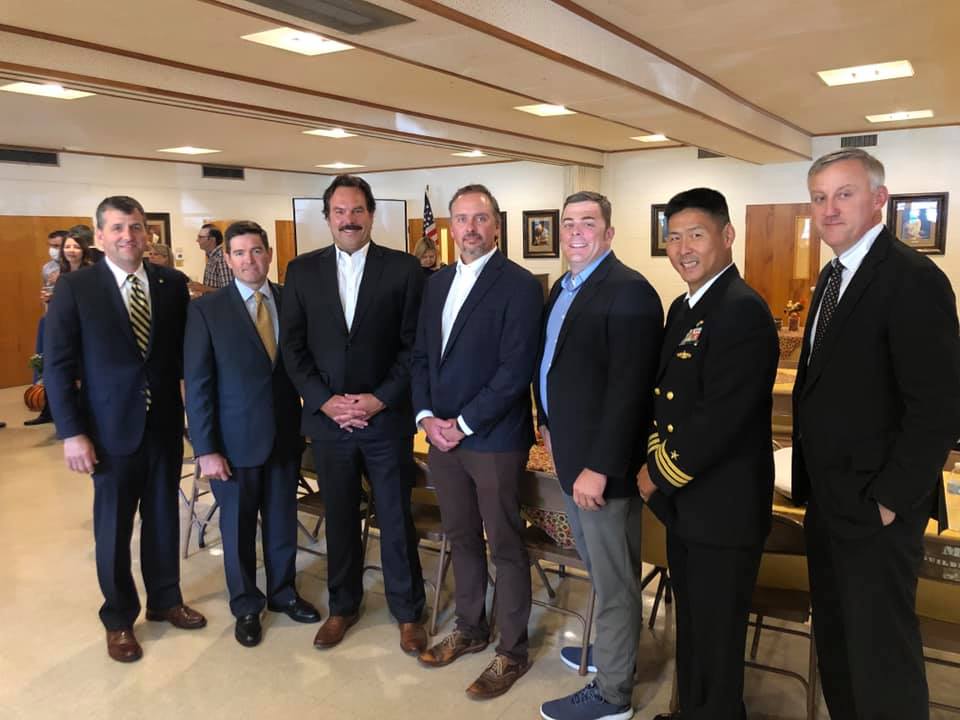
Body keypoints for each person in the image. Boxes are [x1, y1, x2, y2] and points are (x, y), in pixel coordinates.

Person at [792, 148, 960, 719]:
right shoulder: (832, 276)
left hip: (877, 509)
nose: (829, 209)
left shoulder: (913, 278)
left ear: (879, 199)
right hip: (827, 501)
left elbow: (938, 409)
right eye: (820, 198)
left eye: (845, 194)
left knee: (882, 655)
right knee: (838, 644)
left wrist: (890, 501)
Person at [44, 195, 206, 663]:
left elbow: (183, 354)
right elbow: (57, 365)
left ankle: (165, 600)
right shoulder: (76, 288)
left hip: (163, 427)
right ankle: (118, 618)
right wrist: (72, 433)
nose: (127, 236)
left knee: (163, 518)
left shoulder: (171, 284)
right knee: (114, 529)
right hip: (107, 432)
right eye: (116, 228)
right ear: (99, 236)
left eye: (135, 227)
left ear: (147, 233)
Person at [636, 188, 779, 720]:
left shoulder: (741, 309)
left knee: (718, 637)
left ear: (727, 235)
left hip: (724, 507)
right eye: (674, 237)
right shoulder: (685, 306)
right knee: (693, 626)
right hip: (690, 507)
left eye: (696, 235)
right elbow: (665, 398)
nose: (683, 248)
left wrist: (657, 472)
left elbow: (721, 418)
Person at [280, 175, 428, 656]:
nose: (349, 220)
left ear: (371, 214)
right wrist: (325, 401)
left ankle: (408, 612)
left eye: (358, 210)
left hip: (385, 419)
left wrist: (379, 399)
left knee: (396, 518)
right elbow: (293, 348)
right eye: (340, 211)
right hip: (328, 423)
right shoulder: (301, 271)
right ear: (327, 217)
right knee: (340, 517)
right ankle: (343, 607)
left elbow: (414, 347)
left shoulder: (404, 269)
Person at [413, 184, 543, 700]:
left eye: (480, 218)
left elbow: (515, 370)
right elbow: (421, 355)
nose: (470, 228)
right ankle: (470, 627)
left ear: (496, 226)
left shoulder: (519, 285)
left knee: (504, 544)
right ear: (451, 226)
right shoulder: (436, 284)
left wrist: (462, 423)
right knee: (461, 535)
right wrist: (426, 417)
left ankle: (512, 651)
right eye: (462, 219)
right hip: (441, 439)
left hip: (492, 439)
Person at [535, 192, 662, 720]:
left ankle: (612, 694)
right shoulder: (564, 288)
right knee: (600, 572)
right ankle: (615, 655)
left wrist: (600, 467)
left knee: (613, 582)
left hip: (600, 470)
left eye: (588, 223)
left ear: (609, 232)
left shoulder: (629, 291)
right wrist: (545, 422)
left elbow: (630, 391)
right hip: (570, 456)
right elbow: (551, 364)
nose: (575, 232)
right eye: (568, 223)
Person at [185, 221, 320, 647]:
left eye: (257, 251)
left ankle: (283, 593)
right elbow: (199, 384)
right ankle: (245, 604)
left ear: (269, 254)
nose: (249, 260)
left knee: (281, 522)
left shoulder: (290, 300)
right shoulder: (207, 310)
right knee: (239, 529)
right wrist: (205, 449)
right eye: (240, 253)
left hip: (284, 436)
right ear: (227, 259)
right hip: (232, 444)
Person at [25, 230, 68, 427]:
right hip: (50, 319)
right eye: (52, 245)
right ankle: (47, 409)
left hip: (68, 321)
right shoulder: (48, 268)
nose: (54, 250)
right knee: (46, 364)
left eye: (58, 246)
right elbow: (46, 293)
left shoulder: (76, 267)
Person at [189, 224, 233, 295]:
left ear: (212, 240)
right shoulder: (212, 256)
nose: (197, 240)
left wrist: (204, 288)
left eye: (200, 237)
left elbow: (228, 291)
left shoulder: (221, 258)